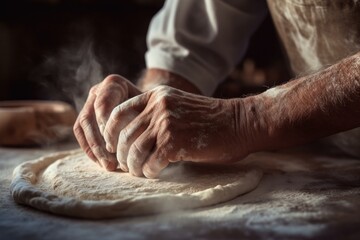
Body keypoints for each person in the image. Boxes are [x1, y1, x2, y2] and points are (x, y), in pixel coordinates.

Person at [73, 0, 360, 178]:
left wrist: (246, 119)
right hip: (323, 162)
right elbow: (192, 42)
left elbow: (246, 120)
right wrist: (149, 109)